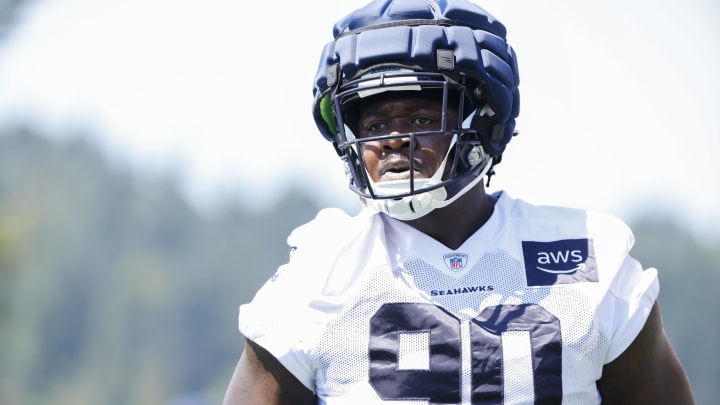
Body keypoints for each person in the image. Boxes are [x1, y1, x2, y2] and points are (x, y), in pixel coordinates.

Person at [223, 0, 695, 403]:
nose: (393, 141)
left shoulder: (589, 257)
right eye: (374, 125)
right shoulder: (315, 280)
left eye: (420, 116)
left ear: (483, 120)